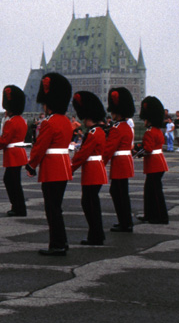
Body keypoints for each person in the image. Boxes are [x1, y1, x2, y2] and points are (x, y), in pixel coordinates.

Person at [24, 72, 74, 255]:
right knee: (56, 208)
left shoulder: (49, 123)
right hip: (63, 166)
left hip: (52, 168)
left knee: (52, 209)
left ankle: (57, 244)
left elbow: (40, 147)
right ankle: (62, 241)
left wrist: (31, 165)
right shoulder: (66, 122)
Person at [70, 91, 109, 245]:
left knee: (89, 204)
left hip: (93, 172)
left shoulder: (94, 133)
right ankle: (96, 234)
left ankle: (96, 235)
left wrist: (70, 167)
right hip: (95, 170)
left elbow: (83, 154)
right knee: (91, 203)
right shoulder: (98, 132)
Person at [0, 85, 29, 217]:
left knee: (11, 181)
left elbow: (6, 140)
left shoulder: (11, 122)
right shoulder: (22, 121)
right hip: (19, 153)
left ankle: (18, 207)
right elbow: (11, 137)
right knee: (14, 182)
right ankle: (19, 206)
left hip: (13, 154)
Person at [104, 87, 137, 232]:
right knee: (121, 192)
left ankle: (125, 222)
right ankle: (125, 221)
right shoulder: (126, 127)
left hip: (119, 164)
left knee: (118, 193)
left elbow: (109, 149)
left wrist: (101, 163)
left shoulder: (116, 128)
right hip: (125, 162)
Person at [139, 96, 170, 223]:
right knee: (151, 191)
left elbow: (148, 149)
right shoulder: (157, 131)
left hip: (154, 164)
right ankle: (151, 214)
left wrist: (137, 152)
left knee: (154, 192)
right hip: (159, 163)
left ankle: (160, 217)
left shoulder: (150, 132)